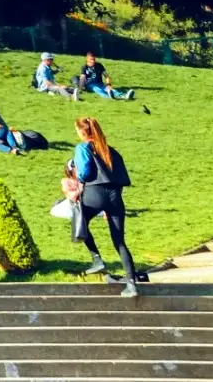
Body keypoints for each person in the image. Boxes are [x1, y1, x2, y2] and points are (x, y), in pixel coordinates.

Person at [70, 115, 141, 295]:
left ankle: (97, 259)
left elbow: (84, 173)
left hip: (95, 192)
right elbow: (122, 178)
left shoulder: (83, 147)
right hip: (115, 196)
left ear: (81, 131)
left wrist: (76, 174)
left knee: (79, 220)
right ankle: (132, 284)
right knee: (120, 242)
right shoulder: (110, 150)